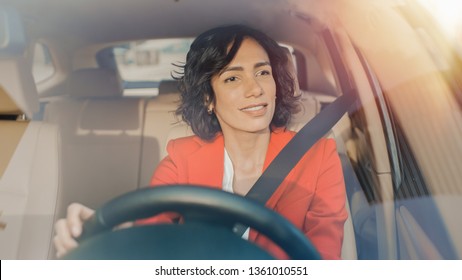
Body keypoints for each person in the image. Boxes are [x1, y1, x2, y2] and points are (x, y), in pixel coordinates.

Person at [53, 24, 347, 260]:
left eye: (262, 72)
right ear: (208, 99)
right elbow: (150, 229)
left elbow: (323, 256)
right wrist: (104, 233)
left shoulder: (319, 155)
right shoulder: (182, 157)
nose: (255, 88)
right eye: (232, 78)